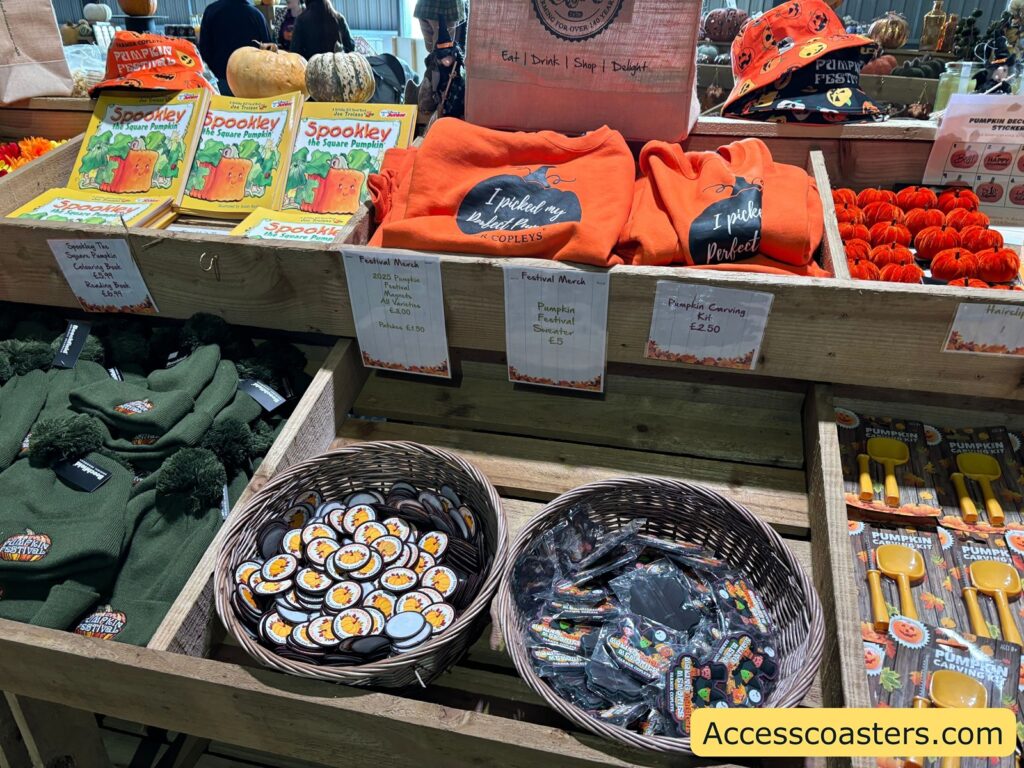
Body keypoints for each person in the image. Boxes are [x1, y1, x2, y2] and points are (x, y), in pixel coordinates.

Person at [199, 0, 271, 96]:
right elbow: (269, 53)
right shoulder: (256, 15)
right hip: (251, 83)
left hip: (219, 82)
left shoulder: (211, 11)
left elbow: (204, 51)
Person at [413, 0, 467, 119]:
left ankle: (428, 102)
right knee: (441, 58)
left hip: (425, 8)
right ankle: (433, 104)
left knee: (434, 53)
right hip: (447, 9)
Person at [289, 0, 355, 60]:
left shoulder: (301, 20)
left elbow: (294, 52)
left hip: (310, 69)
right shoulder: (339, 18)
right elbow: (351, 46)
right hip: (337, 68)